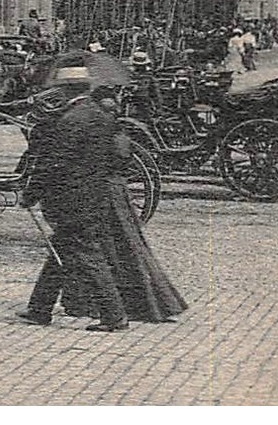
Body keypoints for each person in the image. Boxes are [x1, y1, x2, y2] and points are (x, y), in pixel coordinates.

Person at [20, 78, 178, 332]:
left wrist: (31, 193)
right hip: (98, 196)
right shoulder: (103, 117)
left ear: (66, 90)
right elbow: (120, 157)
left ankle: (114, 316)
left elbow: (55, 164)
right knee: (60, 251)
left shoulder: (69, 121)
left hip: (74, 199)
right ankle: (39, 309)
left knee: (87, 254)